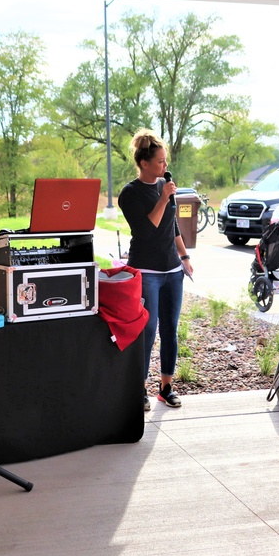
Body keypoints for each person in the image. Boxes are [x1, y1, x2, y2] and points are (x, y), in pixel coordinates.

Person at [118, 129, 193, 410]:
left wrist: (184, 256)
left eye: (165, 161)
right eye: (160, 162)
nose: (165, 167)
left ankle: (166, 386)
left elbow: (171, 225)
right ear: (144, 163)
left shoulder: (165, 185)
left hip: (172, 269)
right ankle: (139, 389)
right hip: (146, 270)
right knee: (147, 330)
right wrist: (162, 198)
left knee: (170, 329)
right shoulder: (130, 193)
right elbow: (146, 230)